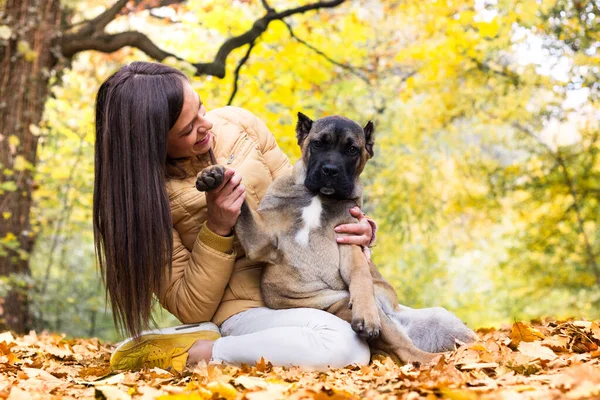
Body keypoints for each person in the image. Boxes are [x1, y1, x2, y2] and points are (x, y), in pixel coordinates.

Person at [93, 61, 377, 372]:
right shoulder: (141, 202)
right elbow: (189, 304)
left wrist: (359, 231)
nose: (207, 125)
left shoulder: (240, 124)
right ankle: (205, 350)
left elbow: (304, 198)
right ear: (152, 143)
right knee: (346, 346)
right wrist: (217, 227)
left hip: (308, 292)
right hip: (242, 312)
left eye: (201, 109)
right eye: (188, 129)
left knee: (428, 325)